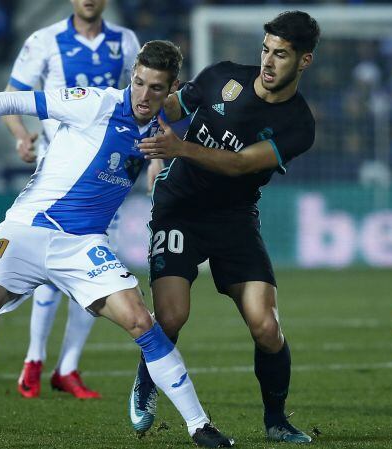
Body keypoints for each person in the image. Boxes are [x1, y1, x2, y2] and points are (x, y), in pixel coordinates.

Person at [0, 40, 234, 447]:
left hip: (81, 245)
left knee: (141, 322)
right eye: (139, 83)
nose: (144, 96)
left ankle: (199, 425)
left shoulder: (170, 129)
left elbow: (217, 147)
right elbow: (10, 101)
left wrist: (172, 158)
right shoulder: (94, 103)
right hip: (26, 228)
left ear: (172, 89)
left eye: (156, 88)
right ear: (132, 76)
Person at [129, 11, 319, 444]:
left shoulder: (299, 125)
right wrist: (159, 137)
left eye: (282, 55)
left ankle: (276, 421)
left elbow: (240, 164)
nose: (269, 63)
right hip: (179, 207)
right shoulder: (222, 77)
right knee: (173, 316)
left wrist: (181, 146)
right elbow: (173, 107)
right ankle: (145, 382)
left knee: (267, 328)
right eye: (266, 50)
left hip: (235, 218)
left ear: (303, 61)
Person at [2, 0, 140, 400]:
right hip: (57, 169)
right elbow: (13, 94)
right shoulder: (44, 41)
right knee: (50, 261)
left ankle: (68, 366)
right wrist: (20, 134)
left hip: (105, 174)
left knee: (95, 265)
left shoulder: (127, 42)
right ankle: (34, 358)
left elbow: (146, 96)